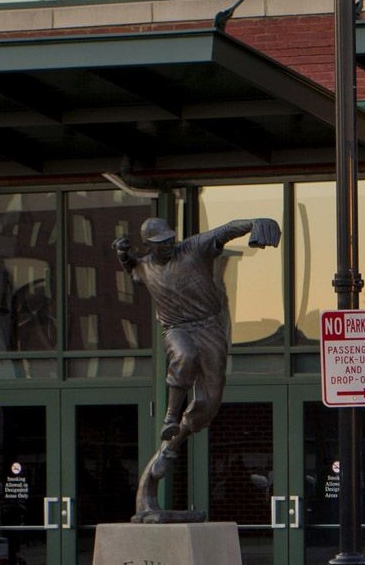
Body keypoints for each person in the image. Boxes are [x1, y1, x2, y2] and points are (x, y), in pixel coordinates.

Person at [116, 215, 281, 521]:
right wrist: (123, 255)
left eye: (169, 240)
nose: (167, 246)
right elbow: (132, 269)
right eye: (160, 243)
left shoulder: (193, 249)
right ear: (149, 246)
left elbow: (225, 230)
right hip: (177, 328)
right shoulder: (145, 266)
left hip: (209, 327)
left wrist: (256, 223)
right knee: (184, 355)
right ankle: (169, 416)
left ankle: (170, 446)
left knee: (208, 403)